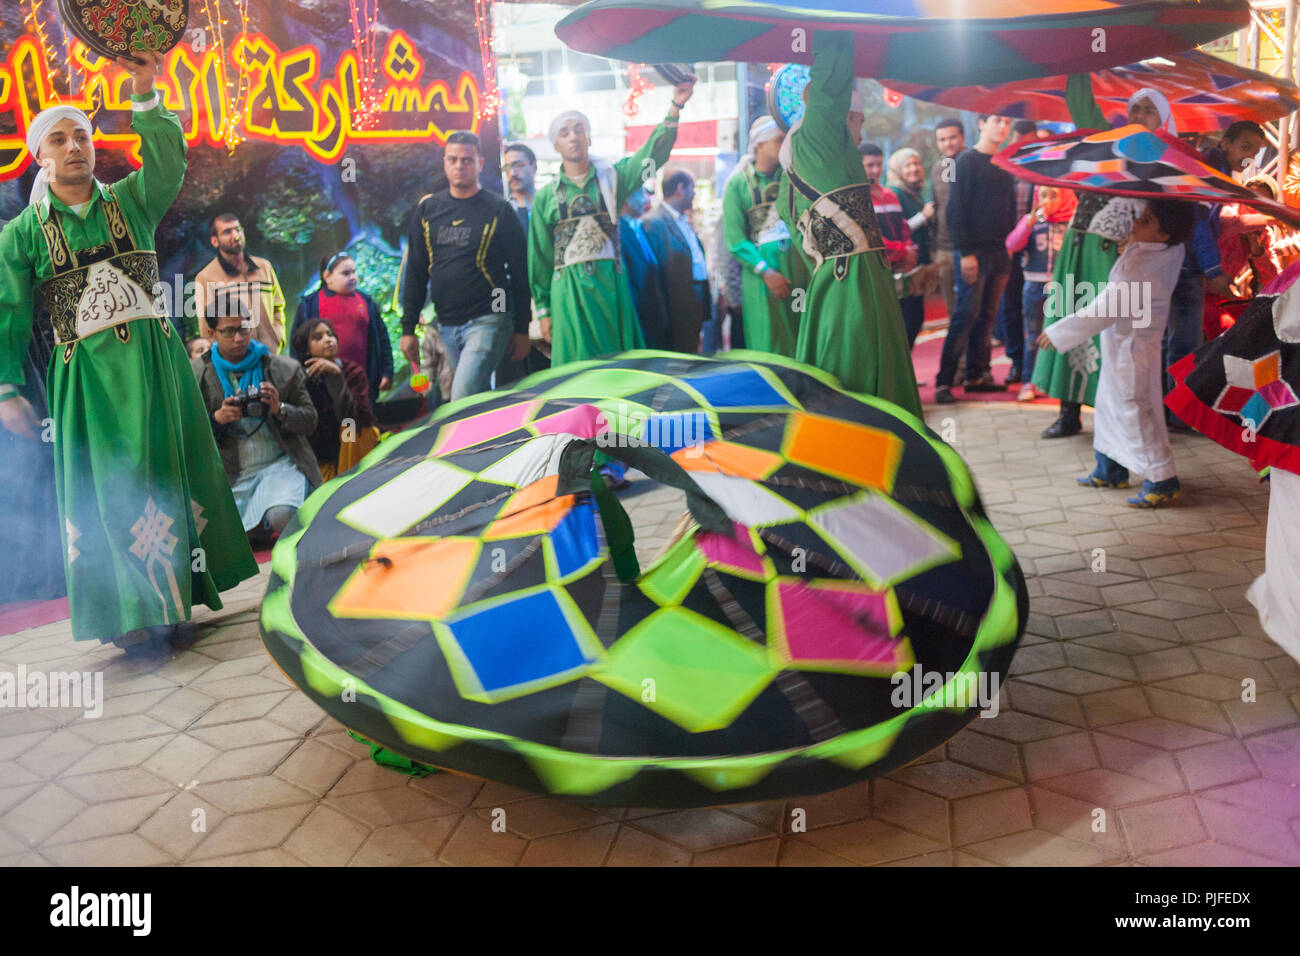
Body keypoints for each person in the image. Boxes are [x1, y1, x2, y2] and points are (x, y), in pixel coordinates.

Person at [0, 54, 256, 651]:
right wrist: (6, 387)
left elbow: (169, 157)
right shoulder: (23, 234)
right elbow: (6, 314)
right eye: (58, 140)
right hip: (86, 381)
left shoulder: (134, 200)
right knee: (107, 485)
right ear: (40, 157)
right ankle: (130, 613)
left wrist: (144, 91)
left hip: (154, 366)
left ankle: (170, 602)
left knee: (164, 476)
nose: (73, 148)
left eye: (82, 136)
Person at [776, 31, 921, 417]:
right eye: (860, 120)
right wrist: (836, 27)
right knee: (860, 388)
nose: (863, 131)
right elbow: (830, 83)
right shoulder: (819, 137)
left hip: (839, 285)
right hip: (852, 288)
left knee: (858, 382)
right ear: (843, 114)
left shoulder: (806, 159)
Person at [1039, 199, 1195, 507]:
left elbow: (1104, 310)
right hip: (1123, 347)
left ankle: (1163, 478)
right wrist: (1137, 245)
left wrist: (1059, 333)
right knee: (1109, 406)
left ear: (1163, 234)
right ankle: (1110, 468)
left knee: (1137, 412)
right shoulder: (1165, 250)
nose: (1135, 224)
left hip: (1132, 352)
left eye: (1145, 221)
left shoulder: (1142, 268)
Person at [528, 81, 695, 368]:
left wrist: (675, 107)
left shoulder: (614, 180)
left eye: (579, 130)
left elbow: (650, 159)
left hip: (611, 290)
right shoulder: (545, 197)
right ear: (556, 144)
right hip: (568, 296)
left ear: (589, 138)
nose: (573, 137)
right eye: (565, 133)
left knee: (618, 369)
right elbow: (540, 258)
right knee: (575, 377)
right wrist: (544, 312)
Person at [1032, 83, 1163, 438]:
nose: (1139, 116)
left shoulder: (1165, 163)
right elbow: (1081, 103)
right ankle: (1068, 413)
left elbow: (1172, 218)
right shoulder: (1107, 141)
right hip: (1075, 251)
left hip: (1113, 258)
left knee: (1105, 330)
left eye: (1149, 111)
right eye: (1135, 108)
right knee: (1065, 319)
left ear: (1163, 120)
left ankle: (1114, 419)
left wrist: (1138, 239)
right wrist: (1081, 51)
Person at [398, 131, 531, 402]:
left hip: (489, 318)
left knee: (461, 395)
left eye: (467, 160)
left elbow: (519, 272)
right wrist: (408, 329)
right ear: (445, 162)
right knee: (475, 401)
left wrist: (522, 329)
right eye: (453, 159)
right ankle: (498, 443)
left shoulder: (500, 210)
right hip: (447, 323)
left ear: (480, 163)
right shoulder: (427, 211)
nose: (460, 165)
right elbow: (416, 270)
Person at [194, 300, 322, 547]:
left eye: (244, 328)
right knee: (219, 540)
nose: (239, 337)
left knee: (283, 516)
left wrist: (279, 409)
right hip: (232, 473)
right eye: (229, 331)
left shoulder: (280, 367)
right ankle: (257, 527)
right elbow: (186, 435)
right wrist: (216, 420)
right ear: (211, 333)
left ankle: (272, 520)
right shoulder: (196, 375)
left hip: (280, 464)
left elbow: (310, 421)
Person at [934, 114, 1015, 404]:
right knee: (965, 314)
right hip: (973, 252)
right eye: (996, 120)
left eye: (1007, 121)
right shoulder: (965, 162)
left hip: (1000, 251)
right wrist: (965, 252)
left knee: (988, 316)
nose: (1002, 127)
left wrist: (1009, 245)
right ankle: (944, 380)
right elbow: (955, 210)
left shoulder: (1005, 163)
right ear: (981, 123)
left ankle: (978, 375)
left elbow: (1010, 207)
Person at [722, 116, 802, 356]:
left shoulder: (792, 178)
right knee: (770, 343)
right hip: (761, 279)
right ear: (759, 145)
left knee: (803, 334)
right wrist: (766, 272)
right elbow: (735, 241)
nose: (784, 145)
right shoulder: (737, 185)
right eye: (779, 140)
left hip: (799, 276)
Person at [291, 251, 393, 404]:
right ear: (327, 276)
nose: (353, 277)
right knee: (340, 422)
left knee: (359, 423)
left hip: (362, 383)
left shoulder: (366, 302)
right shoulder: (310, 305)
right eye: (346, 273)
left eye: (354, 272)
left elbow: (382, 338)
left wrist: (387, 372)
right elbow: (297, 346)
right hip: (325, 386)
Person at [1005, 185, 1076, 402]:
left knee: (1060, 335)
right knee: (1032, 336)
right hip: (1034, 286)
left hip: (1062, 286)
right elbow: (1013, 244)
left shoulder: (1072, 222)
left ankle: (1053, 381)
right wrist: (1028, 224)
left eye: (1054, 196)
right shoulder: (1031, 221)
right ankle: (1029, 381)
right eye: (1043, 195)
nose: (1048, 201)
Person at [290, 318, 381, 481]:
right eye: (318, 337)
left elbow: (356, 418)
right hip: (325, 456)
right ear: (306, 349)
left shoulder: (353, 371)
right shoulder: (301, 380)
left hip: (355, 444)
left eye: (330, 335)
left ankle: (351, 479)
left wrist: (337, 377)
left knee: (350, 428)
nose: (328, 340)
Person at [195, 213, 289, 351]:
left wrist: (277, 338)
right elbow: (206, 327)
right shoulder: (205, 277)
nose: (236, 236)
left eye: (238, 229)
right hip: (234, 361)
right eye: (227, 232)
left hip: (269, 355)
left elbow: (278, 307)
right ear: (215, 241)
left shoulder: (264, 267)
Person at [642, 167, 711, 354]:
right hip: (674, 310)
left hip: (692, 302)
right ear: (680, 188)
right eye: (692, 189)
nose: (694, 194)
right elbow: (653, 274)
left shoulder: (682, 219)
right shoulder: (653, 221)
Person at [992, 119, 1039, 382]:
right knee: (1009, 305)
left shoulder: (1044, 167)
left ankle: (1039, 365)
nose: (1022, 147)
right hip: (1008, 245)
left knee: (1039, 305)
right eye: (1017, 141)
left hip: (1038, 247)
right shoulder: (1002, 167)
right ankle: (1017, 362)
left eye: (1028, 141)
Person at [887, 146, 935, 349]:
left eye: (916, 164)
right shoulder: (894, 193)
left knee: (914, 318)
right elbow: (899, 228)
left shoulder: (914, 193)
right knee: (909, 319)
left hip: (917, 264)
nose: (914, 169)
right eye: (907, 165)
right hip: (902, 265)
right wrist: (924, 215)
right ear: (897, 170)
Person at [619, 186, 673, 350]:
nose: (645, 199)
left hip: (652, 317)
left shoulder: (638, 227)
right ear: (627, 199)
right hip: (640, 319)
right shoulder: (620, 231)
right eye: (641, 194)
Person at [930, 118, 966, 324]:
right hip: (943, 248)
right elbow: (937, 205)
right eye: (942, 139)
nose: (948, 143)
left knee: (971, 306)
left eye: (952, 137)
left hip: (969, 248)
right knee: (951, 307)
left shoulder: (973, 162)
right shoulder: (937, 169)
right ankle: (959, 356)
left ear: (962, 137)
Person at [503, 141, 537, 230]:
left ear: (534, 167)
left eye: (518, 165)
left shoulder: (548, 204)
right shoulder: (502, 210)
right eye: (507, 167)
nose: (512, 173)